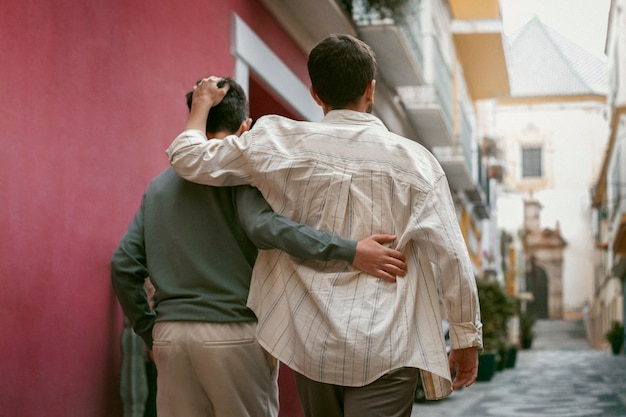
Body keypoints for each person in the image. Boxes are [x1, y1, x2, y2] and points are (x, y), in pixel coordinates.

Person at [167, 34, 482, 417]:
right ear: (371, 89)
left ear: (315, 93)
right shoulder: (416, 162)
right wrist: (466, 336)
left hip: (311, 339)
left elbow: (187, 158)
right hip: (389, 344)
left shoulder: (275, 142)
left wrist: (201, 105)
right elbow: (451, 255)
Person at [111, 77, 408, 417]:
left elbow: (123, 264)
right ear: (245, 126)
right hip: (233, 333)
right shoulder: (241, 174)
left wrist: (150, 330)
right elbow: (265, 227)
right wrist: (350, 250)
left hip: (170, 337)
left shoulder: (158, 187)